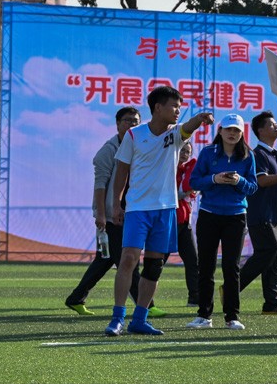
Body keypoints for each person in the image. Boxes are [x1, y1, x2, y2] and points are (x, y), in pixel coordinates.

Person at [105, 86, 212, 336]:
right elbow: (121, 171)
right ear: (157, 107)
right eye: (174, 105)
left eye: (179, 105)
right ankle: (117, 318)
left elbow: (188, 127)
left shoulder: (176, 135)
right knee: (128, 259)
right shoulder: (134, 135)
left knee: (154, 266)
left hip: (166, 210)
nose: (177, 110)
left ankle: (139, 319)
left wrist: (199, 118)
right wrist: (116, 203)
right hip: (138, 209)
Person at [65, 106, 142, 314]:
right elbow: (100, 185)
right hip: (112, 216)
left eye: (136, 121)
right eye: (127, 120)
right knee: (129, 259)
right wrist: (101, 214)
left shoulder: (139, 147)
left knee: (106, 259)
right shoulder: (108, 150)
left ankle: (76, 298)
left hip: (131, 213)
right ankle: (146, 305)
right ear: (117, 124)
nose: (132, 125)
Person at [186, 114, 259, 330]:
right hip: (209, 214)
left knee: (231, 267)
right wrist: (214, 179)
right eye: (228, 129)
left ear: (242, 133)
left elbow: (253, 187)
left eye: (236, 130)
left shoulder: (248, 156)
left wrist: (239, 181)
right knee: (206, 266)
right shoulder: (209, 153)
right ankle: (204, 315)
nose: (232, 134)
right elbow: (194, 181)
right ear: (220, 130)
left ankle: (232, 316)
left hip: (236, 216)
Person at [237, 111, 277, 315]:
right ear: (260, 130)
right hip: (261, 214)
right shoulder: (257, 154)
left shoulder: (272, 154)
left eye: (276, 124)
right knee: (269, 251)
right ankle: (232, 288)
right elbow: (261, 181)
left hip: (276, 215)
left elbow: (272, 185)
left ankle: (271, 302)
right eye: (271, 124)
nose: (276, 127)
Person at [175, 139, 199, 307]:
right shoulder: (167, 169)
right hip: (169, 221)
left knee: (192, 260)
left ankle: (195, 297)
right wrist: (184, 192)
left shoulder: (189, 170)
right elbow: (173, 195)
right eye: (182, 150)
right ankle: (146, 299)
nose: (184, 154)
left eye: (188, 152)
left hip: (184, 222)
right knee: (158, 261)